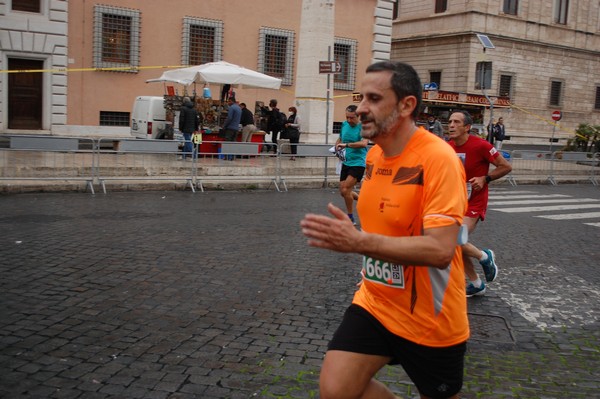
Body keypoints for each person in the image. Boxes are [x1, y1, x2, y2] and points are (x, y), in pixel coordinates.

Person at [301, 61, 469, 399]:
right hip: (375, 303)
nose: (361, 109)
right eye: (362, 98)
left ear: (406, 105)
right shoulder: (375, 158)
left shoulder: (439, 159)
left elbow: (440, 251)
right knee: (336, 390)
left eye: (374, 99)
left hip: (430, 318)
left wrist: (360, 241)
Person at [447, 110, 512, 297]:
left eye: (456, 122)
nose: (451, 125)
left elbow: (506, 166)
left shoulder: (481, 145)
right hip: (454, 201)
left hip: (474, 201)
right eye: (450, 121)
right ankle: (476, 284)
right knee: (457, 244)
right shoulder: (446, 147)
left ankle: (485, 257)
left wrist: (485, 178)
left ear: (467, 127)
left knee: (455, 239)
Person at [335, 105, 368, 225]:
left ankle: (350, 217)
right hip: (346, 161)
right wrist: (336, 147)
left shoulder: (364, 127)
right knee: (343, 192)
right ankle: (364, 201)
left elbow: (364, 143)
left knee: (346, 189)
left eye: (352, 118)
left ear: (358, 116)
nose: (349, 120)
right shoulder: (344, 125)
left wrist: (347, 145)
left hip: (358, 162)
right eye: (347, 117)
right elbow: (340, 139)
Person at [221, 96, 241, 161]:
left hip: (230, 128)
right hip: (236, 128)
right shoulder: (239, 108)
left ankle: (226, 156)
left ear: (231, 101)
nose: (228, 103)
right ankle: (232, 157)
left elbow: (229, 118)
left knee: (227, 142)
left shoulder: (232, 108)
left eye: (228, 101)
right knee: (234, 143)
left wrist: (224, 125)